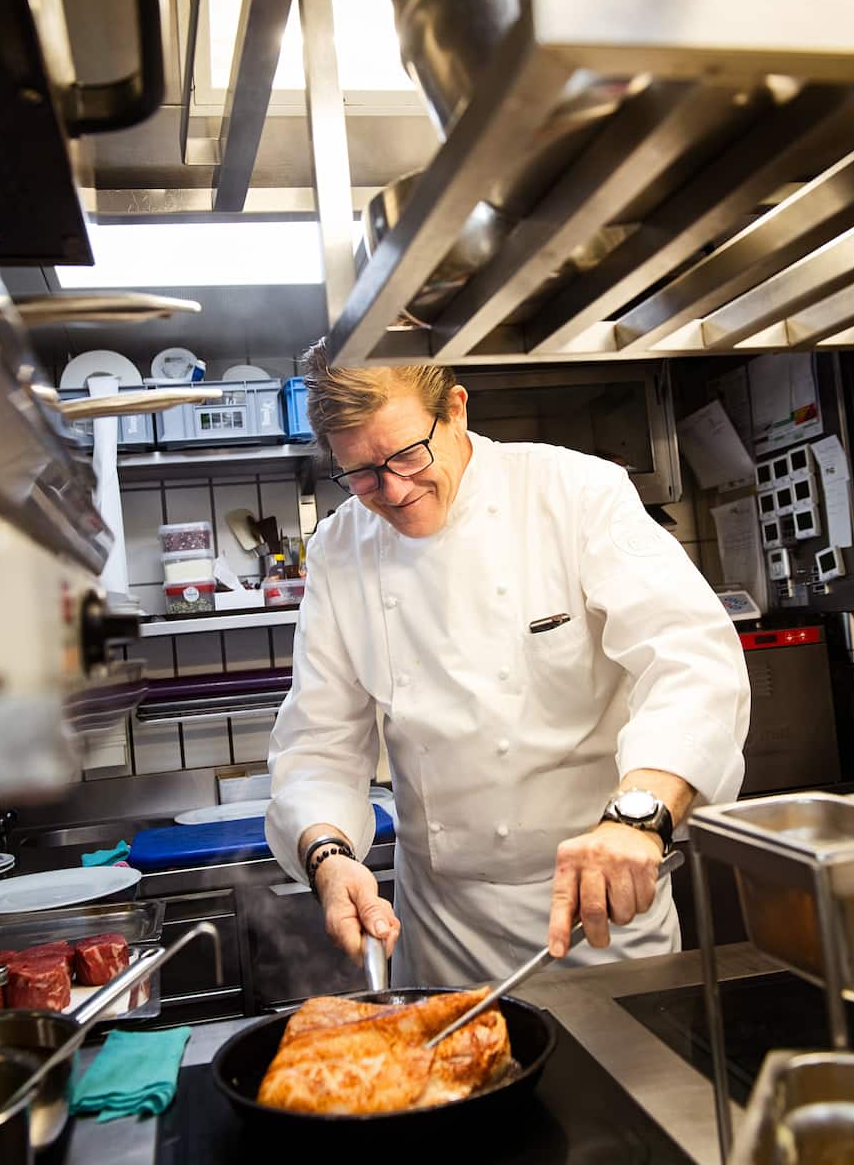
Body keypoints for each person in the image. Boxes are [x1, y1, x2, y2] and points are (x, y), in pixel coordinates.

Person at [265, 347, 751, 986]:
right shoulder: (340, 548)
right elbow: (320, 741)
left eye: (408, 455)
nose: (394, 489)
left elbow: (692, 661)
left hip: (597, 909)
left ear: (457, 410)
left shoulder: (575, 492)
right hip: (441, 928)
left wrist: (641, 818)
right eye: (360, 473)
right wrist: (329, 857)